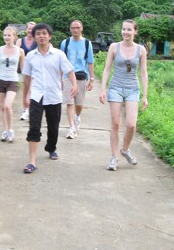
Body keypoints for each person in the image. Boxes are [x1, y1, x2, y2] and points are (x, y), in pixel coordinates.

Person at [21, 23, 77, 174]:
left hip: (54, 96)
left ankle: (51, 148)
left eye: (44, 33)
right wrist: (25, 96)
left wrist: (74, 85)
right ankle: (32, 161)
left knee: (53, 127)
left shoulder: (58, 54)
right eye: (38, 34)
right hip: (36, 96)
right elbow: (27, 78)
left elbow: (69, 70)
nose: (41, 36)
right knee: (34, 127)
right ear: (34, 37)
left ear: (49, 36)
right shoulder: (31, 56)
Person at [99, 19, 148, 171]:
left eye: (129, 29)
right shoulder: (114, 47)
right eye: (123, 29)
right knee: (115, 123)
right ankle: (114, 158)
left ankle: (125, 149)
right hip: (115, 88)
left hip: (133, 88)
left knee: (131, 125)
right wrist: (102, 89)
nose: (126, 32)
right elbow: (107, 69)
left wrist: (145, 96)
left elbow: (143, 73)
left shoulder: (141, 50)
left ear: (135, 31)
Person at [0, 26, 25, 142]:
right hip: (0, 79)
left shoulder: (20, 51)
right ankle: (5, 130)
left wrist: (27, 83)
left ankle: (10, 130)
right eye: (5, 35)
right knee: (2, 107)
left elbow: (23, 68)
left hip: (13, 80)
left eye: (9, 35)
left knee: (8, 105)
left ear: (14, 37)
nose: (6, 37)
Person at [60, 20, 95, 139]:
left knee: (79, 104)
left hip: (81, 76)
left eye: (77, 27)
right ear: (70, 29)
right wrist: (59, 78)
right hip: (67, 76)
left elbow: (90, 62)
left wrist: (92, 79)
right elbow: (61, 61)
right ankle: (71, 128)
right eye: (73, 28)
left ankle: (77, 117)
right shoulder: (65, 43)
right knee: (69, 103)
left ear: (81, 29)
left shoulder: (87, 43)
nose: (75, 30)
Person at [16, 21, 37, 121]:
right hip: (23, 70)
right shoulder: (20, 41)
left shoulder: (38, 41)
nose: (30, 30)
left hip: (35, 70)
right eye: (29, 28)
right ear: (26, 29)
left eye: (33, 28)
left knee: (32, 90)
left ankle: (30, 110)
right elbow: (15, 54)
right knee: (25, 90)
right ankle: (25, 110)